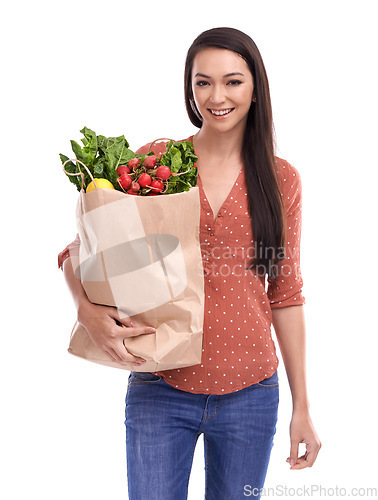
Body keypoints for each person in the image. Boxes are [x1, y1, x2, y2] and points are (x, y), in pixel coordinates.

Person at [58, 27, 321, 500]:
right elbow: (81, 250)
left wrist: (302, 406)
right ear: (190, 87)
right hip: (161, 384)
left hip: (252, 392)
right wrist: (86, 310)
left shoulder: (282, 179)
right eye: (203, 82)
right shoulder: (156, 163)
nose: (217, 96)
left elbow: (285, 293)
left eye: (233, 81)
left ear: (256, 87)